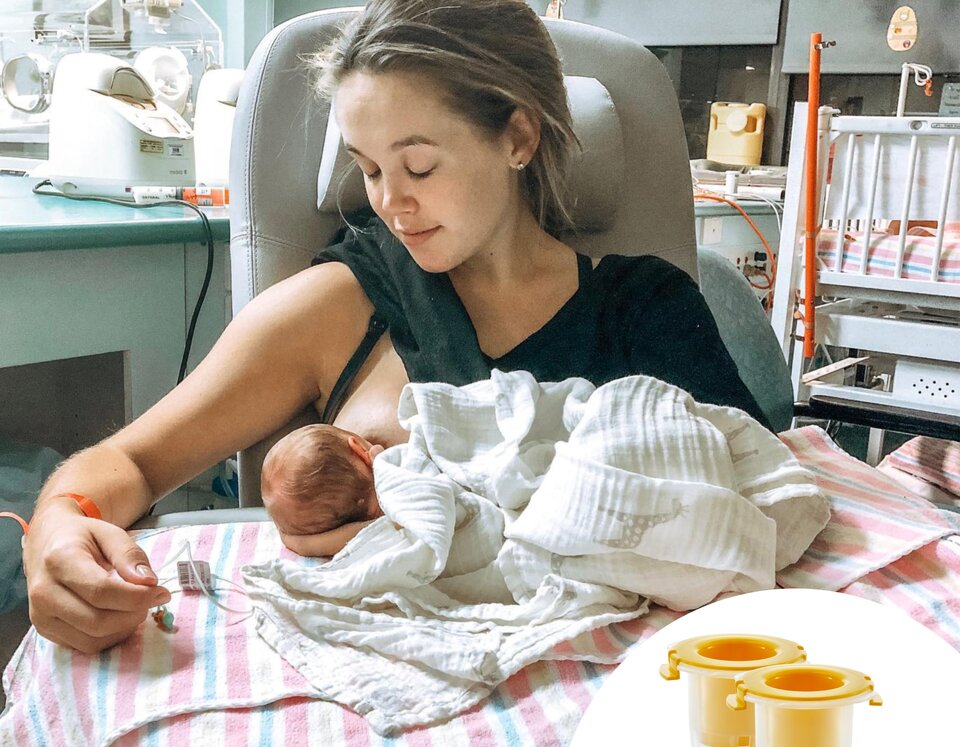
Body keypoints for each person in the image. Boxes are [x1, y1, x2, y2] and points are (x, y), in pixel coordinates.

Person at [23, 0, 769, 656]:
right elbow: (131, 464)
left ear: (517, 138)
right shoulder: (339, 305)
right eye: (370, 170)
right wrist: (61, 527)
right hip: (387, 696)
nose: (391, 204)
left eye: (418, 166)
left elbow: (757, 506)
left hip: (611, 690)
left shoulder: (647, 310)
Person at [261, 424, 385, 556]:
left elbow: (363, 533)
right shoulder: (396, 468)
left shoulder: (384, 531)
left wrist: (298, 543)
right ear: (359, 449)